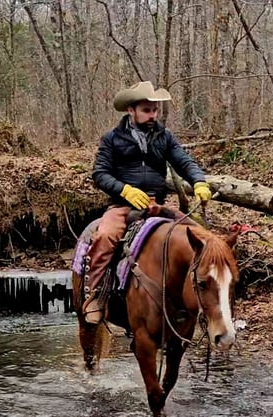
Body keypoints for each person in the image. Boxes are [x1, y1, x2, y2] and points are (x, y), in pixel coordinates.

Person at [83, 80, 212, 324]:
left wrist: (199, 181)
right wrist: (125, 190)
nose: (152, 115)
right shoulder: (112, 139)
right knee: (105, 236)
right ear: (131, 110)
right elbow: (100, 174)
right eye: (146, 110)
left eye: (155, 110)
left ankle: (203, 301)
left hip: (157, 205)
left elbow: (184, 161)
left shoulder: (164, 137)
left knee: (202, 238)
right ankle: (96, 296)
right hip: (122, 206)